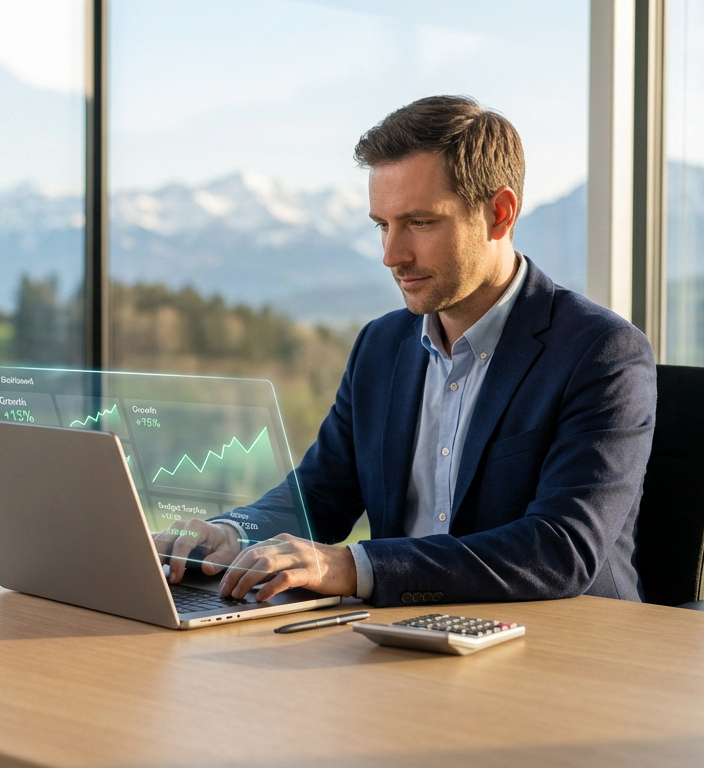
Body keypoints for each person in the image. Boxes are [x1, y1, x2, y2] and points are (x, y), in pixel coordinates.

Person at [155, 95, 656, 607]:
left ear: (499, 214)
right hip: (399, 633)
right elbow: (320, 495)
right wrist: (232, 532)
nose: (392, 255)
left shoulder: (601, 353)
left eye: (419, 222)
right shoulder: (381, 346)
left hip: (565, 639)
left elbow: (559, 550)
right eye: (382, 225)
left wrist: (352, 566)